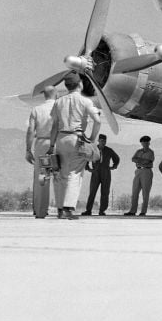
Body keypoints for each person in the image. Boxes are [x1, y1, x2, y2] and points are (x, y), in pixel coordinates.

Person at [47, 72, 101, 220]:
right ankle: (68, 209)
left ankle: (59, 208)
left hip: (60, 138)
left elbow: (54, 125)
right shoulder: (85, 101)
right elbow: (97, 121)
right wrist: (92, 139)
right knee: (75, 173)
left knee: (60, 173)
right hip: (76, 138)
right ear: (80, 84)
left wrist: (51, 145)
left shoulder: (59, 102)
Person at [24, 85, 56, 218]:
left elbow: (31, 130)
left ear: (44, 95)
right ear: (55, 94)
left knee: (42, 178)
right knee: (61, 177)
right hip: (57, 143)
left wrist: (28, 149)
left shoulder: (36, 110)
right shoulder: (60, 108)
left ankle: (40, 210)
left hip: (42, 143)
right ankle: (63, 209)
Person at [82, 134, 120, 215]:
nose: (103, 142)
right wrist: (88, 168)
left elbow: (117, 158)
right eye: (101, 141)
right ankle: (88, 210)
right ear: (98, 141)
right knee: (92, 191)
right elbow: (86, 158)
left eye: (104, 141)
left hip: (106, 172)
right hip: (95, 172)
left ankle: (102, 210)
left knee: (105, 192)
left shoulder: (109, 150)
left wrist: (114, 166)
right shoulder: (93, 149)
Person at [123, 136, 155, 216]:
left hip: (146, 171)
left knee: (145, 192)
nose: (145, 144)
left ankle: (143, 211)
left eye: (146, 142)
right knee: (135, 191)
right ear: (141, 143)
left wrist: (139, 160)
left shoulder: (151, 152)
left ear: (149, 143)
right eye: (143, 142)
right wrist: (142, 161)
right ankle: (133, 211)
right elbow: (133, 159)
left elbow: (148, 162)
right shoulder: (138, 151)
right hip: (138, 171)